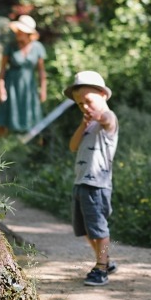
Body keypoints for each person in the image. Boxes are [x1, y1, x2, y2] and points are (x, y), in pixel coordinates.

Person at [66, 70, 119, 286]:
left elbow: (106, 118)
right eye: (79, 104)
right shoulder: (88, 125)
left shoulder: (108, 119)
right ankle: (105, 259)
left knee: (99, 229)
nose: (85, 107)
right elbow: (72, 146)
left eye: (88, 101)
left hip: (97, 185)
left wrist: (97, 115)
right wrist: (83, 124)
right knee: (86, 230)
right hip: (81, 183)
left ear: (103, 95)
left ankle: (101, 268)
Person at [0, 15, 47, 138]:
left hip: (29, 85)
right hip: (11, 84)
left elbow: (41, 71)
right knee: (6, 113)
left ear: (28, 33)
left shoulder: (38, 47)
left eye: (21, 31)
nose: (18, 33)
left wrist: (43, 89)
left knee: (31, 112)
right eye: (17, 30)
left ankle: (30, 143)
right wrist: (1, 88)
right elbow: (2, 69)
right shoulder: (10, 46)